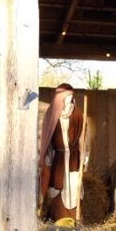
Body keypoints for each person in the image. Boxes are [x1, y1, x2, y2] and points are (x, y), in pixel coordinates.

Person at [39, 83, 87, 222]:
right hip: (58, 158)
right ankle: (59, 218)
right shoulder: (51, 115)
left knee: (74, 186)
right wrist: (47, 157)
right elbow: (47, 138)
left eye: (72, 96)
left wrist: (84, 154)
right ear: (60, 98)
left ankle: (74, 219)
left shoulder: (77, 114)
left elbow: (82, 137)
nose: (70, 99)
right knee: (58, 187)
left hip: (73, 158)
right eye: (67, 96)